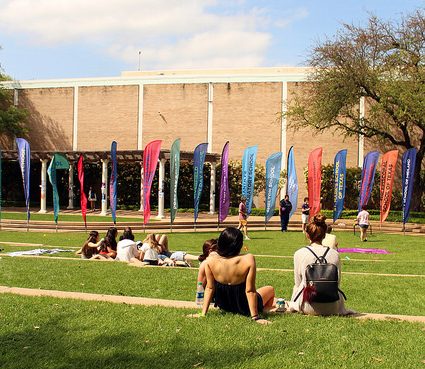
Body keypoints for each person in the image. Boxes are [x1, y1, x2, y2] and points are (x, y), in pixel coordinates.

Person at [201, 227, 275, 324]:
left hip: (224, 305)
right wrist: (255, 317)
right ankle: (264, 311)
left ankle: (264, 310)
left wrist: (203, 314)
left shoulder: (210, 261)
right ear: (239, 245)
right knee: (270, 289)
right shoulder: (248, 259)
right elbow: (250, 291)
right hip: (245, 306)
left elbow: (210, 288)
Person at [288, 214, 351, 316]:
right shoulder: (335, 254)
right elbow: (337, 282)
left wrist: (294, 303)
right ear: (324, 235)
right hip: (333, 306)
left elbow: (298, 284)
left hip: (308, 305)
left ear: (307, 235)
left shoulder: (299, 253)